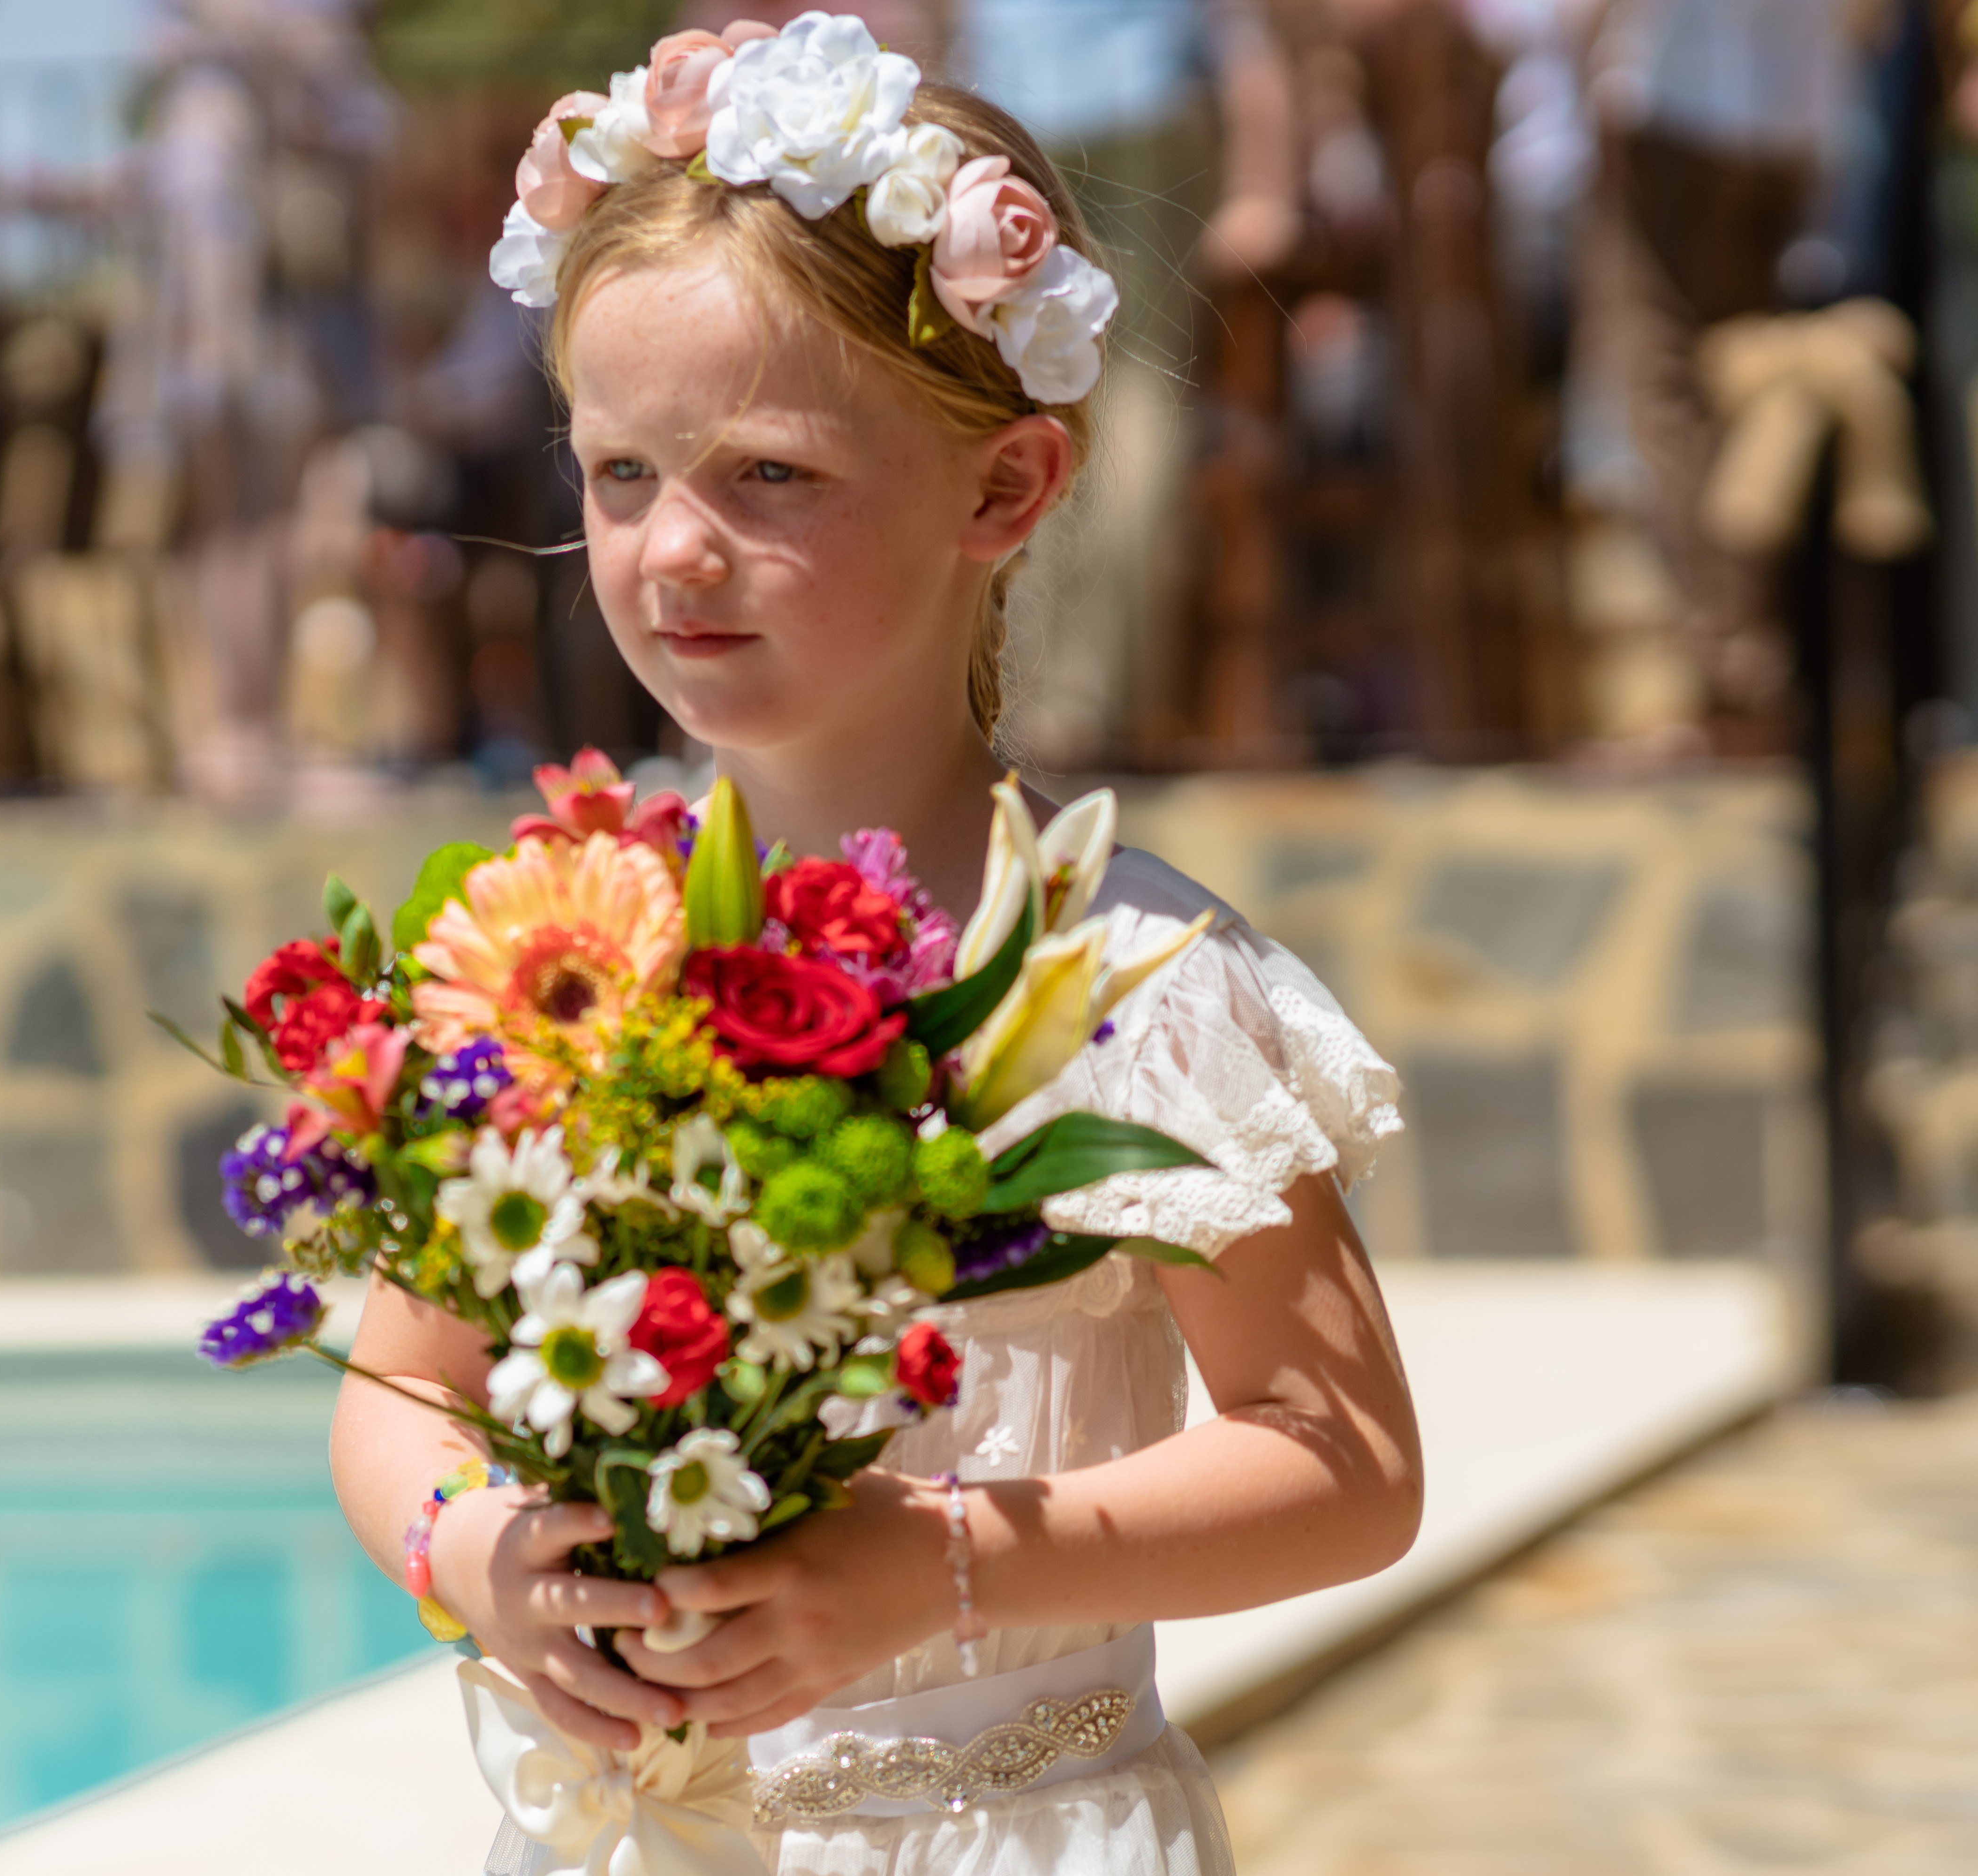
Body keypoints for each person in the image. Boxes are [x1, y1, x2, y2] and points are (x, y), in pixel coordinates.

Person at [328, 20, 1423, 1875]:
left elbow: (1343, 1460)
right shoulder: (567, 948)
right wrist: (482, 1557)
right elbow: (407, 1381)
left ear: (1003, 492)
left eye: (769, 478)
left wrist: (947, 1565)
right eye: (618, 474)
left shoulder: (1119, 981)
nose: (672, 552)